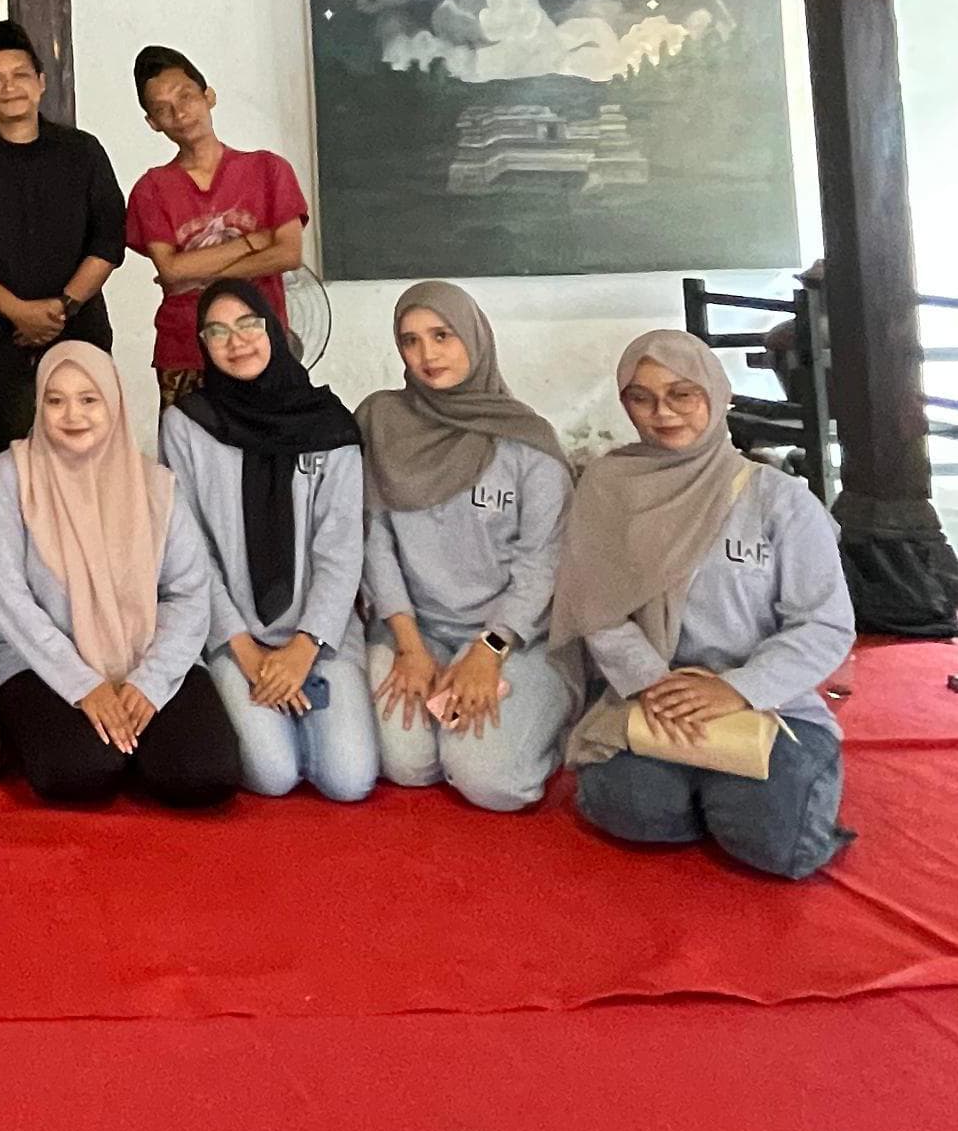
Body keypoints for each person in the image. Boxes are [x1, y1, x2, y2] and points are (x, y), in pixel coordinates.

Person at [554, 331, 856, 881]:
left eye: (682, 394)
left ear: (716, 395)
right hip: (655, 695)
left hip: (768, 701)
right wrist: (651, 683)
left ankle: (752, 789)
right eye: (642, 398)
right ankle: (708, 790)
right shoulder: (609, 487)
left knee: (776, 843)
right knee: (628, 809)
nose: (662, 413)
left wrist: (736, 689)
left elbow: (824, 622)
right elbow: (595, 601)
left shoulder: (778, 499)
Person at [0, 343, 239, 808]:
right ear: (39, 405)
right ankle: (117, 745)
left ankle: (132, 741)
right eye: (55, 400)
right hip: (34, 661)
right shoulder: (8, 478)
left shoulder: (154, 485)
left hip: (144, 651)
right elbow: (7, 599)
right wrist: (83, 685)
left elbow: (188, 592)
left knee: (203, 774)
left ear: (113, 402)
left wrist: (150, 681)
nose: (72, 414)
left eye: (88, 399)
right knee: (81, 772)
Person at [357, 282, 578, 812]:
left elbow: (542, 564)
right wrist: (409, 645)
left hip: (514, 637)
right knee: (407, 765)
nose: (427, 354)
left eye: (442, 335)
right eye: (410, 341)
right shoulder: (382, 423)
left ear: (474, 338)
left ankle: (552, 719)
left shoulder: (527, 442)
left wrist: (489, 650)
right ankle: (459, 716)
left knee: (490, 782)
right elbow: (375, 541)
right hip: (415, 630)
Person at [167, 279, 376, 802]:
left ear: (276, 330)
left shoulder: (330, 425)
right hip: (232, 631)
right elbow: (191, 551)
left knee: (349, 779)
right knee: (271, 774)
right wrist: (243, 648)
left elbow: (340, 549)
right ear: (203, 345)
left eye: (248, 325)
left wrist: (304, 648)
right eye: (217, 331)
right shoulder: (187, 425)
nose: (236, 342)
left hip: (320, 633)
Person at [0, 20, 125, 468]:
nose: (9, 87)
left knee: (88, 457)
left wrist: (63, 307)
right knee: (6, 460)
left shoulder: (84, 151)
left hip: (79, 328)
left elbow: (109, 240)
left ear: (41, 81)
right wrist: (18, 312)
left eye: (20, 75)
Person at [125, 46, 310, 412]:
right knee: (188, 443)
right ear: (152, 122)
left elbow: (288, 254)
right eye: (163, 108)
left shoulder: (268, 169)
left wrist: (196, 270)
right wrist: (252, 242)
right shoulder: (151, 189)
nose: (180, 113)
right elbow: (171, 269)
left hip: (259, 343)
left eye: (186, 96)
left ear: (209, 96)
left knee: (271, 442)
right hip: (185, 349)